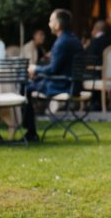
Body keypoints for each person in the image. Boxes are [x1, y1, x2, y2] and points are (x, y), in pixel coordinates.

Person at [21, 9, 82, 140]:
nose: (49, 24)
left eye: (51, 21)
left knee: (25, 88)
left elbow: (53, 69)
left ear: (57, 24)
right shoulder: (74, 39)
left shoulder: (61, 42)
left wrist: (35, 69)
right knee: (30, 84)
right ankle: (30, 131)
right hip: (73, 83)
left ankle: (30, 132)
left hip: (62, 85)